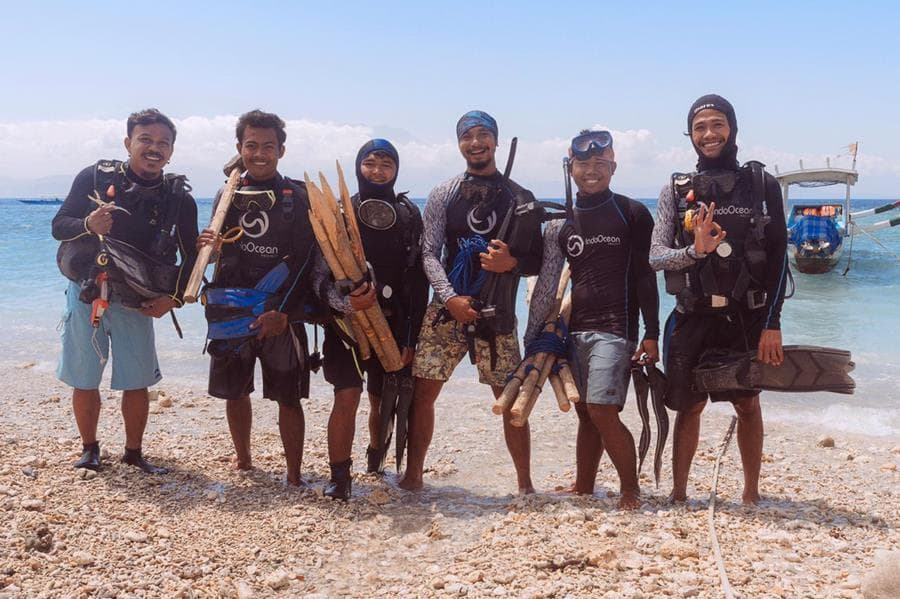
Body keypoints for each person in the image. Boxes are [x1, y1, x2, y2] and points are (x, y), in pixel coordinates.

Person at [649, 94, 788, 505]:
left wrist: (772, 323)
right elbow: (656, 256)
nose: (709, 135)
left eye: (717, 124)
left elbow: (780, 259)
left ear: (733, 129)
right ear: (690, 135)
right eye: (700, 127)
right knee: (688, 409)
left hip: (747, 318)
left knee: (747, 406)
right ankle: (678, 494)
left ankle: (750, 493)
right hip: (691, 317)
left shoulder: (761, 185)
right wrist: (695, 251)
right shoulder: (675, 190)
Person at [400, 110, 544, 493]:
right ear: (459, 143)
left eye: (483, 135)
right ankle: (414, 476)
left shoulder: (521, 198)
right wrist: (449, 299)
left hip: (497, 315)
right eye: (468, 136)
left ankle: (525, 485)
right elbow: (429, 253)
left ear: (496, 141)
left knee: (511, 400)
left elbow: (538, 260)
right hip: (447, 312)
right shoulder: (444, 193)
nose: (476, 142)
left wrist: (511, 262)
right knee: (424, 394)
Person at [197, 110, 343, 487]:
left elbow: (308, 260)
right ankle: (244, 459)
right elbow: (215, 256)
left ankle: (294, 475)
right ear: (239, 148)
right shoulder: (226, 194)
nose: (259, 154)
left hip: (282, 309)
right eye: (251, 146)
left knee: (288, 397)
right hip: (233, 309)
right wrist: (206, 249)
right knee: (235, 392)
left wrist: (283, 312)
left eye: (267, 146)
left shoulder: (297, 196)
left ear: (281, 149)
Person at [52, 108, 199, 474]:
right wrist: (88, 223)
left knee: (137, 379)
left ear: (172, 150)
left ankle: (134, 452)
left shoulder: (178, 198)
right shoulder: (94, 178)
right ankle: (89, 449)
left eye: (163, 143)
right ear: (127, 143)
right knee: (85, 375)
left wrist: (174, 298)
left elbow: (194, 256)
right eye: (145, 140)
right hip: (89, 290)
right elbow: (59, 226)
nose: (154, 148)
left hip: (139, 299)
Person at [525, 130, 659, 509]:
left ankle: (631, 489)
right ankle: (584, 485)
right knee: (586, 412)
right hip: (575, 328)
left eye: (601, 164)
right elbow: (547, 280)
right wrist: (536, 336)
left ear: (613, 167)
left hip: (616, 329)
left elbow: (646, 276)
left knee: (603, 409)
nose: (592, 170)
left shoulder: (631, 212)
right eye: (584, 164)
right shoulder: (563, 223)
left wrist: (652, 332)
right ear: (571, 168)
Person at [321, 139, 428, 500]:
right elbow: (319, 273)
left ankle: (376, 454)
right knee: (347, 395)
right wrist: (343, 301)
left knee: (383, 399)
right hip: (346, 324)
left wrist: (411, 336)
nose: (377, 171)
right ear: (358, 167)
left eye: (386, 164)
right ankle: (339, 478)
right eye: (370, 163)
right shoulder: (341, 213)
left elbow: (417, 278)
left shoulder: (409, 214)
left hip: (393, 323)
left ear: (396, 170)